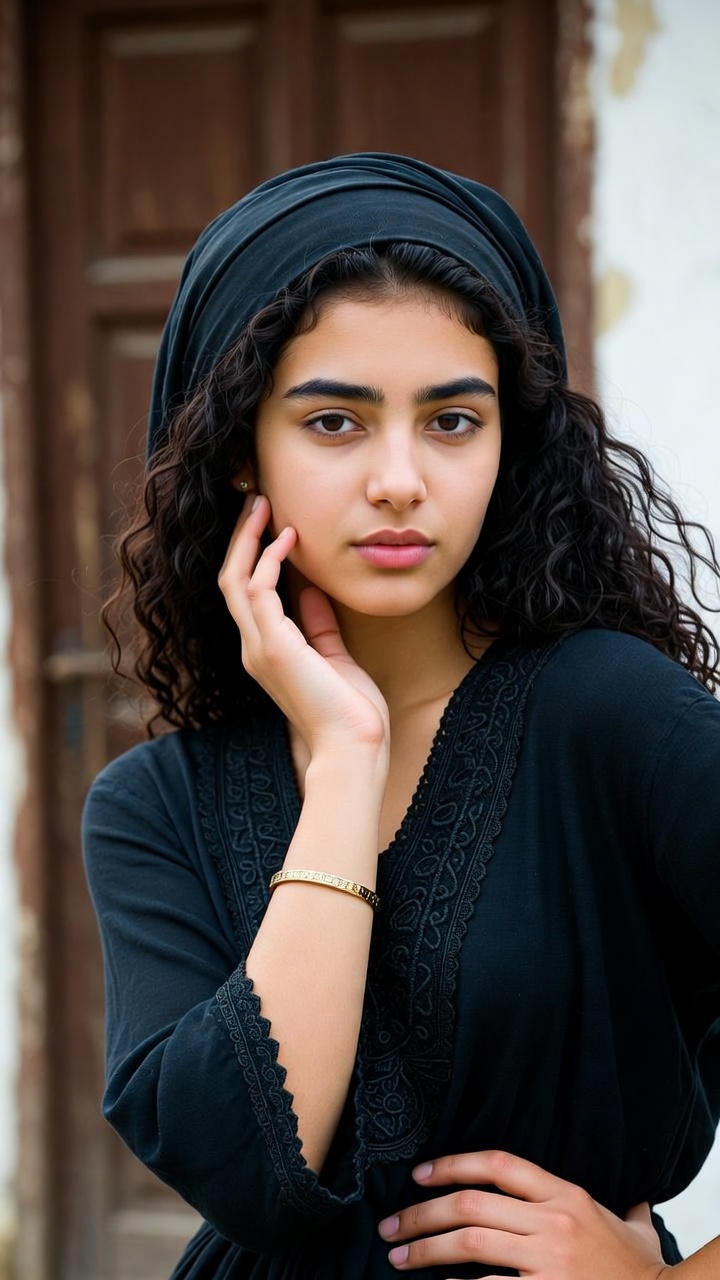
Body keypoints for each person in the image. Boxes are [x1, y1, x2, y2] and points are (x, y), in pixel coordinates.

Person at [82, 153, 720, 1280]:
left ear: (507, 445)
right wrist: (345, 759)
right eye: (334, 422)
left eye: (452, 421)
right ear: (241, 448)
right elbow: (249, 1168)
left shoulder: (619, 719)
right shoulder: (153, 805)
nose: (399, 479)